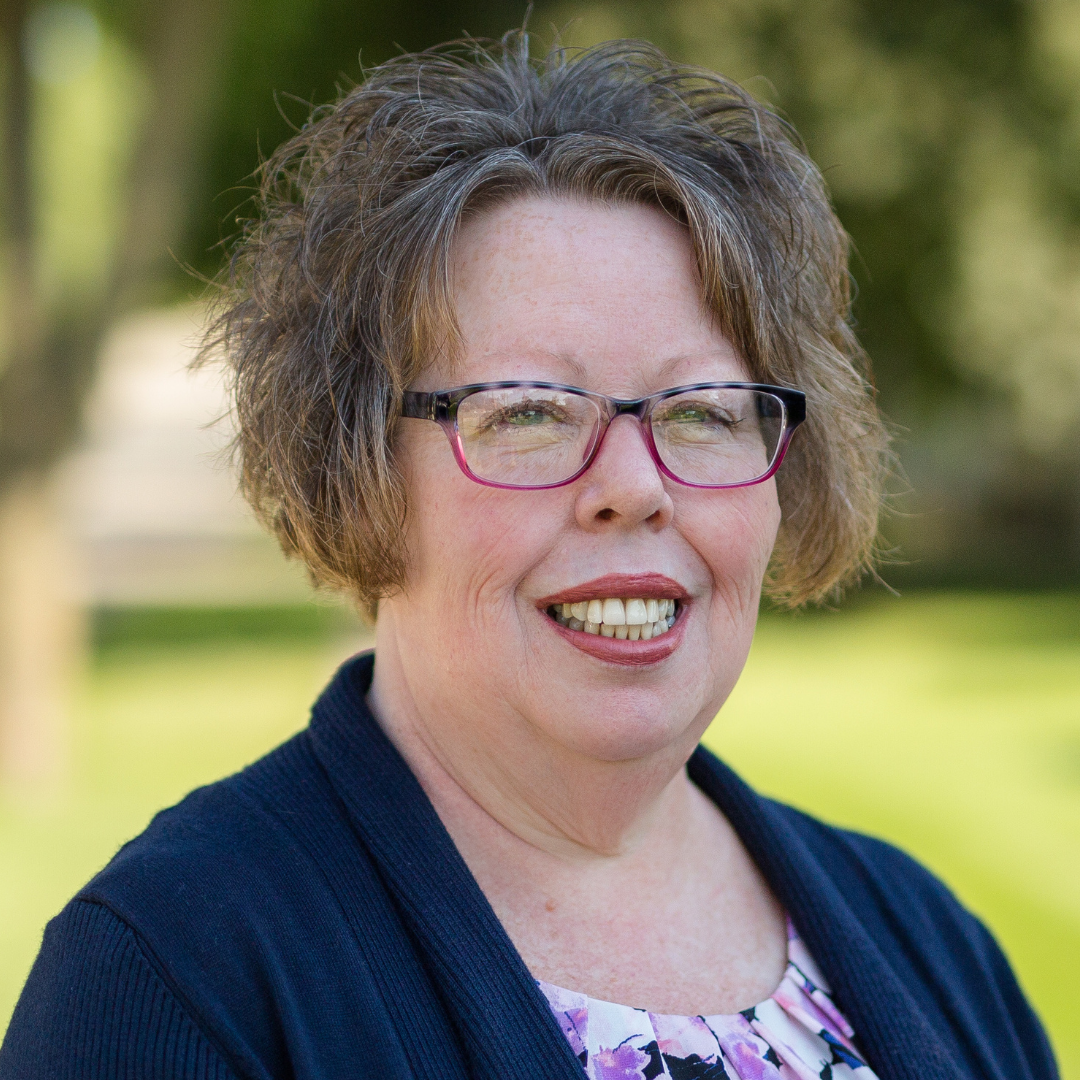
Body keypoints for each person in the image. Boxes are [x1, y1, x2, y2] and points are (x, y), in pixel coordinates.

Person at [0, 34, 1058, 1080]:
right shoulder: (171, 982)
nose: (636, 485)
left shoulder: (931, 943)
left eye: (702, 412)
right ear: (356, 461)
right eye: (531, 414)